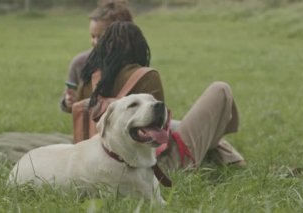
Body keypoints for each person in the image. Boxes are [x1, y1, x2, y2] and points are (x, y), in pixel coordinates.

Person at [86, 21, 245, 170]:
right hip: (161, 163)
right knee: (221, 90)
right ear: (140, 47)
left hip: (104, 156)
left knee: (182, 123)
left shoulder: (92, 78)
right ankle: (225, 150)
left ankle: (229, 157)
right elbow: (159, 128)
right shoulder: (145, 76)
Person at [60, 0, 133, 113]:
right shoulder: (80, 64)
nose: (96, 42)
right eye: (93, 36)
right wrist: (69, 101)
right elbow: (69, 105)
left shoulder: (133, 65)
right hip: (89, 128)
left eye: (102, 37)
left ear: (122, 35)